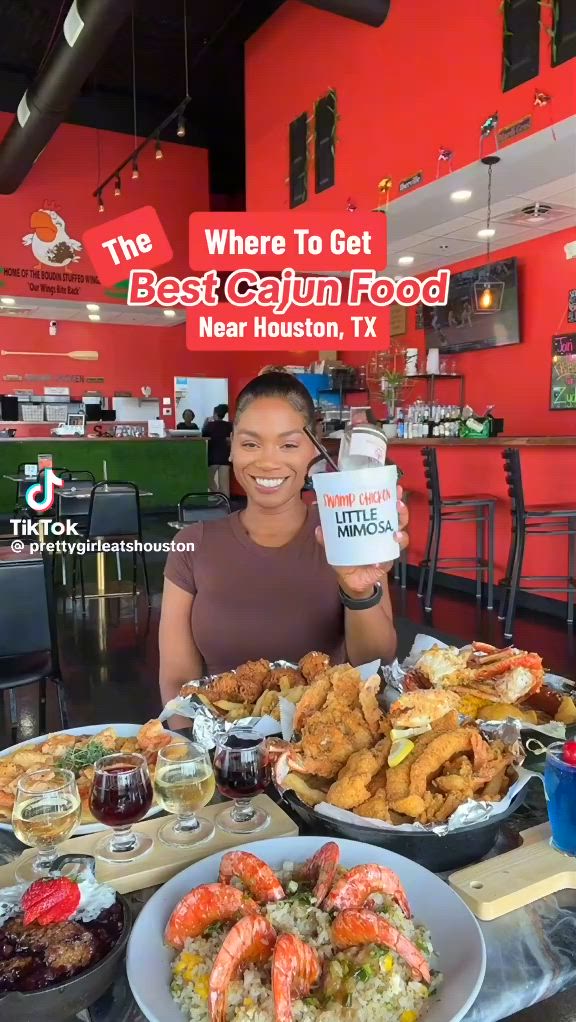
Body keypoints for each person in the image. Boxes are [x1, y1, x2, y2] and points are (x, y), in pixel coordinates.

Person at [159, 372, 408, 715]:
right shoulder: (191, 546)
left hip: (323, 745)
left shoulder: (346, 530)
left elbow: (376, 661)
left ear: (314, 449)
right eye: (250, 443)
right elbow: (177, 680)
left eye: (289, 444)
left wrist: (359, 590)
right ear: (231, 448)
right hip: (218, 754)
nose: (268, 461)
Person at [202, 404, 233, 496]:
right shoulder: (229, 425)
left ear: (215, 413)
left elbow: (203, 436)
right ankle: (226, 502)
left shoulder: (210, 425)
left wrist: (205, 423)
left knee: (208, 479)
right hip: (225, 456)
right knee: (224, 484)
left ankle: (217, 494)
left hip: (213, 456)